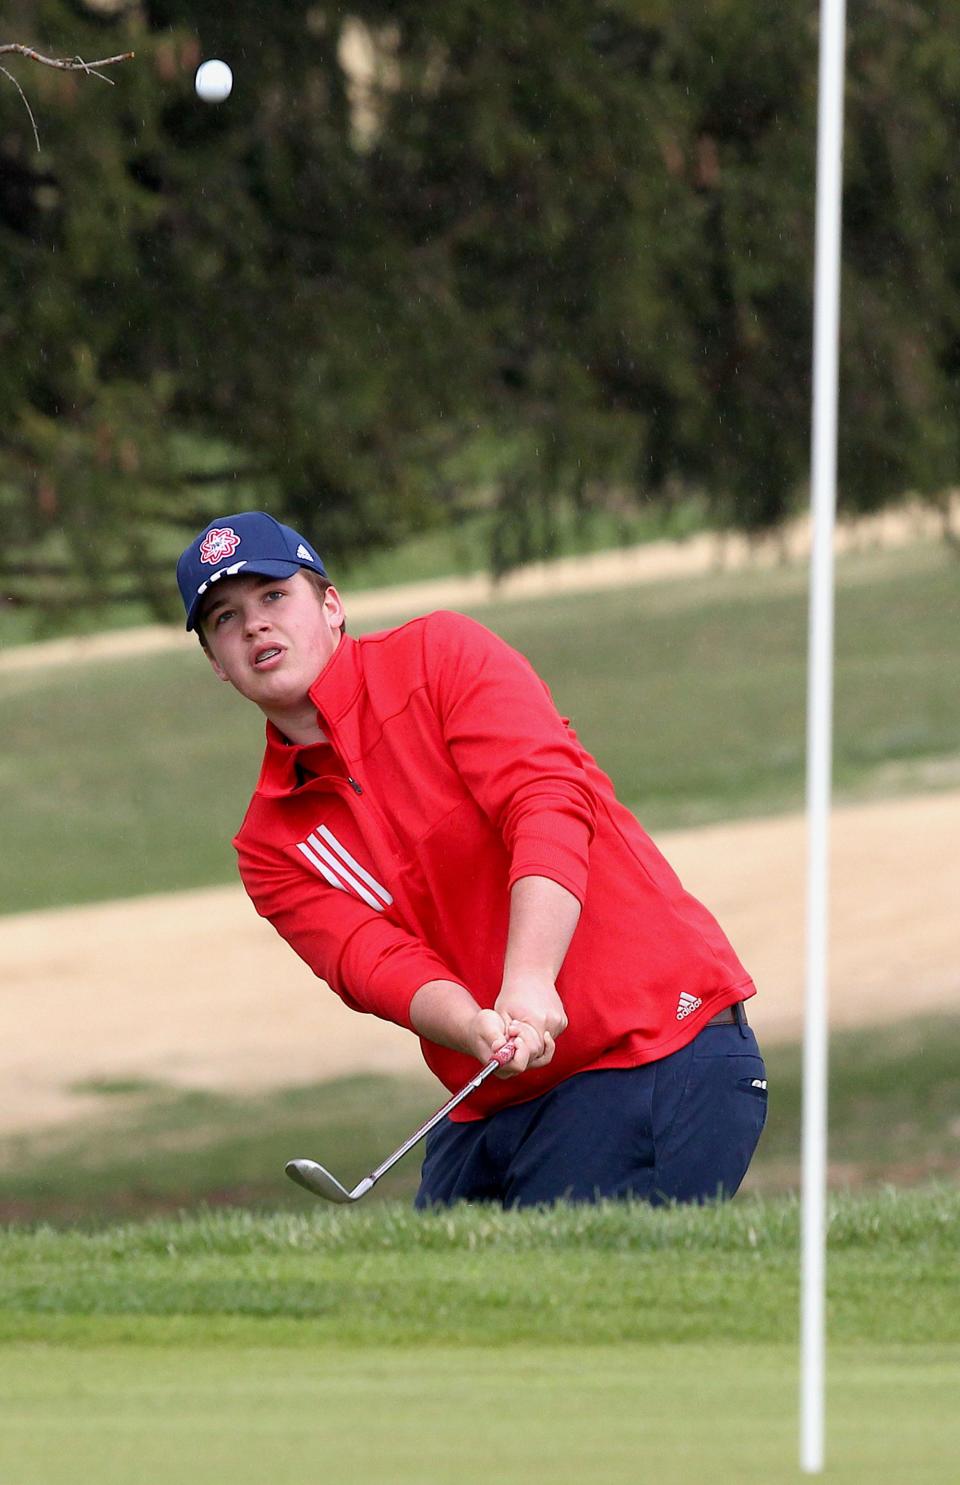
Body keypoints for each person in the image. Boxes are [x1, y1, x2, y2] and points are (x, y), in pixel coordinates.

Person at [176, 510, 767, 1208]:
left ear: (331, 605)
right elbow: (375, 963)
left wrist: (528, 982)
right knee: (429, 1308)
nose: (254, 626)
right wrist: (474, 1025)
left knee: (555, 1306)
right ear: (217, 663)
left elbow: (544, 801)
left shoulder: (439, 656)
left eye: (274, 596)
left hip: (658, 1048)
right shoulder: (271, 842)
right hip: (491, 1097)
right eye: (224, 617)